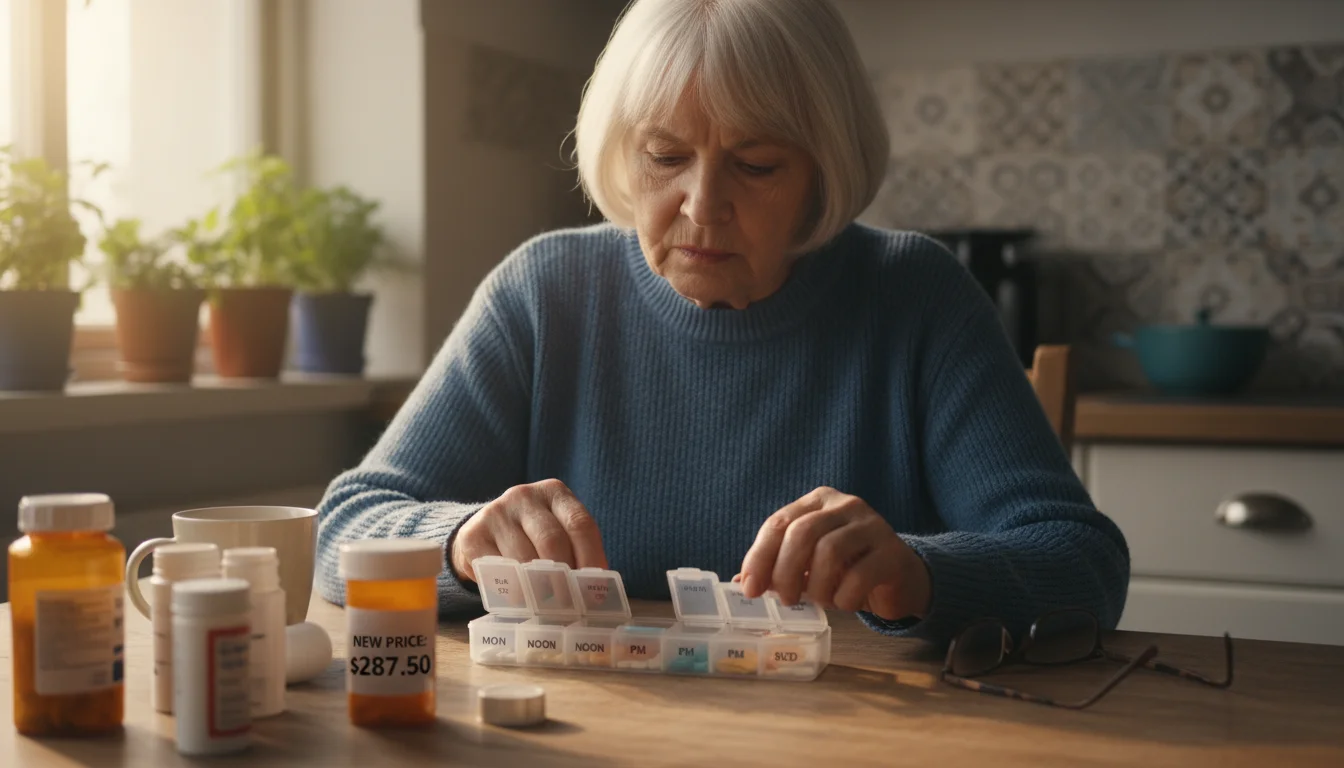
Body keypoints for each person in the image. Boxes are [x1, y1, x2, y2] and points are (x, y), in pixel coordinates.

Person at [314, 0, 1128, 645]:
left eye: (757, 164)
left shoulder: (914, 295)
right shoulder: (544, 291)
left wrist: (915, 572)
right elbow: (342, 529)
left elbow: (1083, 566)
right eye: (665, 157)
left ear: (823, 171)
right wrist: (458, 540)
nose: (703, 207)